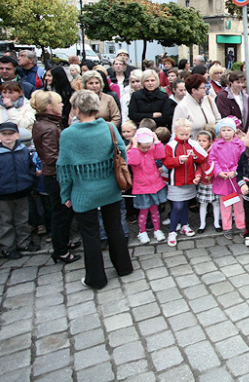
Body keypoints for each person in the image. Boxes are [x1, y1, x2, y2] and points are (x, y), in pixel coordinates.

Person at [57, 90, 133, 289]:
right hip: (110, 186)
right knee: (115, 228)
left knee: (90, 235)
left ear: (76, 109)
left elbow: (63, 168)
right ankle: (124, 267)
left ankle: (96, 278)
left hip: (84, 192)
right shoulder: (108, 127)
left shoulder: (68, 134)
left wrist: (65, 194)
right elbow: (122, 153)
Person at [31, 90, 81, 265]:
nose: (62, 105)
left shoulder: (45, 124)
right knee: (61, 214)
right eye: (59, 103)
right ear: (49, 106)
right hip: (56, 176)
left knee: (64, 213)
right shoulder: (50, 128)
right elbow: (52, 157)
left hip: (54, 175)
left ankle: (63, 243)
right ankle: (60, 251)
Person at [0, 121, 38, 259]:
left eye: (11, 134)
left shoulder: (24, 151)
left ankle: (23, 242)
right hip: (3, 194)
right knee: (6, 222)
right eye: (4, 134)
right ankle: (8, 247)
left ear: (17, 135)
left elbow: (30, 168)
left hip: (22, 191)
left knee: (22, 219)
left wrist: (30, 183)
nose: (8, 137)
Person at [162, 118, 207, 246]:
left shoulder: (192, 143)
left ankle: (184, 225)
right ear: (176, 132)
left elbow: (202, 158)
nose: (185, 137)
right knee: (178, 206)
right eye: (182, 134)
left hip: (190, 181)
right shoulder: (170, 146)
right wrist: (178, 160)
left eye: (187, 134)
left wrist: (195, 157)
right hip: (176, 181)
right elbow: (166, 163)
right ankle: (172, 230)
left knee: (185, 205)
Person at [126, 128, 168, 244]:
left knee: (155, 210)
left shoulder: (152, 149)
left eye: (148, 146)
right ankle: (142, 231)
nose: (145, 149)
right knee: (143, 211)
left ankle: (157, 229)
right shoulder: (132, 152)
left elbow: (161, 154)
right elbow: (134, 161)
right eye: (143, 147)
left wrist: (156, 141)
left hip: (155, 185)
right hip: (142, 188)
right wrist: (134, 146)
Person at [209, 118, 246, 238]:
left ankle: (241, 225)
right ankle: (227, 227)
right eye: (223, 130)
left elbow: (243, 159)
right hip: (223, 180)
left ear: (234, 131)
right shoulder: (216, 145)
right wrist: (219, 172)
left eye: (229, 130)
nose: (226, 132)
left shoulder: (240, 144)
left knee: (239, 205)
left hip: (236, 179)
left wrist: (235, 170)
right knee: (225, 206)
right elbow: (212, 160)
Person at [173, 74, 220, 139]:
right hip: (194, 145)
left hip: (212, 144)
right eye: (202, 88)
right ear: (193, 90)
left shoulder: (209, 100)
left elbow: (218, 119)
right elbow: (176, 130)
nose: (205, 89)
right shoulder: (182, 106)